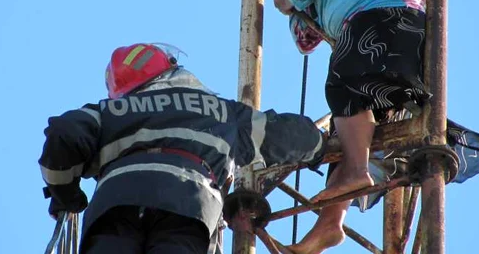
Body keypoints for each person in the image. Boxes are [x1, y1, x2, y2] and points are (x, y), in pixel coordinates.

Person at [37, 43, 328, 254]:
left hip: (114, 206)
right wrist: (323, 144)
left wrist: (66, 197)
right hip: (189, 204)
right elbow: (286, 135)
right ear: (170, 66)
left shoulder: (111, 111)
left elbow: (65, 133)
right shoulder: (222, 113)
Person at [272, 0, 430, 253]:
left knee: (343, 85)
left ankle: (359, 171)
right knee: (348, 131)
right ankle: (330, 224)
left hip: (387, 13)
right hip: (374, 29)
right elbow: (306, 38)